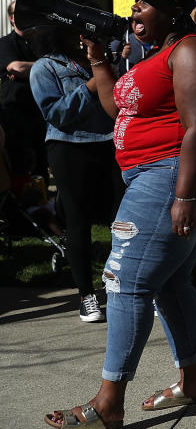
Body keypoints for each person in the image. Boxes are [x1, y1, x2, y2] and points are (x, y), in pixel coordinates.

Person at [43, 0, 196, 429]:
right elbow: (117, 110)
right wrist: (99, 63)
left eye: (143, 5)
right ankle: (192, 379)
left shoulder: (190, 50)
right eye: (133, 6)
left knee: (124, 283)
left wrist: (184, 195)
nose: (133, 13)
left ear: (170, 9)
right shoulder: (157, 55)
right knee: (170, 283)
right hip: (157, 174)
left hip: (170, 175)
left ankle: (109, 402)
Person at [29, 25, 124, 323]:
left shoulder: (104, 60)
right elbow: (56, 114)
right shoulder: (46, 67)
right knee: (78, 222)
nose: (85, 38)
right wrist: (91, 86)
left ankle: (123, 287)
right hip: (69, 148)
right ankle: (86, 295)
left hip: (110, 144)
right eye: (78, 32)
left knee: (122, 220)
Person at [1, 0, 47, 184]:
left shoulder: (41, 43)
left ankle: (43, 207)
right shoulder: (6, 43)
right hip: (16, 116)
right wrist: (47, 66)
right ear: (12, 19)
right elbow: (16, 67)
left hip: (42, 112)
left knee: (41, 166)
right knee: (20, 167)